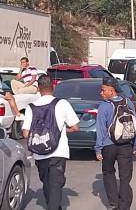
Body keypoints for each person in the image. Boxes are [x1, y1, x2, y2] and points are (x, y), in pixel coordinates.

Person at [22, 75, 79, 210]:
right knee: (55, 184)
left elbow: (25, 133)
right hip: (59, 151)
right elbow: (76, 126)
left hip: (39, 153)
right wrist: (61, 131)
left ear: (39, 89)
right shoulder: (62, 103)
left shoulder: (31, 107)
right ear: (52, 87)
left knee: (47, 183)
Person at [95, 77, 136, 210]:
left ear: (112, 90)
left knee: (108, 172)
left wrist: (98, 149)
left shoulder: (104, 106)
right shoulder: (128, 103)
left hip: (108, 146)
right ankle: (125, 205)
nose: (101, 93)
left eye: (103, 90)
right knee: (125, 177)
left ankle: (114, 203)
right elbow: (135, 125)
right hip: (126, 145)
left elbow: (101, 130)